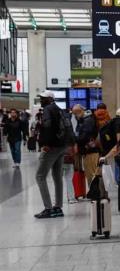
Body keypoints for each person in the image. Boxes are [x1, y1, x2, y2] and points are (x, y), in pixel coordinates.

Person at [34, 90, 68, 219]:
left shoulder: (48, 109)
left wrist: (45, 143)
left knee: (40, 176)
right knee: (57, 176)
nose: (41, 100)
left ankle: (48, 208)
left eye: (43, 98)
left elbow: (47, 127)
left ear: (49, 99)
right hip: (61, 146)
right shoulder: (59, 109)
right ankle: (58, 207)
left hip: (51, 147)